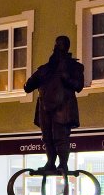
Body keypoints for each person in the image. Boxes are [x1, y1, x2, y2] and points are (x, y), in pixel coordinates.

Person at [23, 35, 84, 175]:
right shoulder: (45, 69)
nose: (59, 48)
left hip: (63, 107)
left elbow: (78, 86)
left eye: (62, 45)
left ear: (67, 47)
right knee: (47, 137)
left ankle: (63, 164)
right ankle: (50, 162)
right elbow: (28, 87)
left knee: (61, 137)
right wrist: (34, 79)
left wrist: (66, 78)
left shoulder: (74, 67)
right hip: (45, 107)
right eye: (57, 45)